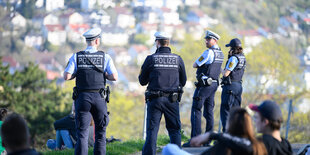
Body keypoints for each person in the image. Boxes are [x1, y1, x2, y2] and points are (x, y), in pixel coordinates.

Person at [63, 27, 118, 155]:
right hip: (99, 97)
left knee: (82, 133)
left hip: (82, 98)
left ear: (87, 41)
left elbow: (66, 76)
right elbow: (114, 77)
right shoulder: (105, 57)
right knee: (100, 132)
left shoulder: (77, 56)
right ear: (97, 41)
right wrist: (105, 75)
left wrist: (77, 73)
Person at [139, 31, 187, 155]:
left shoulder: (151, 59)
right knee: (174, 130)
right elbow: (184, 80)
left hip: (154, 99)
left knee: (152, 131)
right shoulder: (178, 59)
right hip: (172, 99)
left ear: (157, 42)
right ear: (168, 42)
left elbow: (142, 81)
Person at [163, 107, 267, 155]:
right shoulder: (258, 145)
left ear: (231, 124)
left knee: (169, 148)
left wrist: (213, 135)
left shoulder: (225, 145)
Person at [183, 30, 224, 147]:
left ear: (214, 40)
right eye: (206, 39)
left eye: (208, 39)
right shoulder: (220, 53)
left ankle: (195, 140)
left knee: (196, 110)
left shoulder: (209, 53)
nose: (206, 41)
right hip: (214, 84)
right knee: (209, 112)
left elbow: (195, 64)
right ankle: (207, 140)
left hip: (205, 85)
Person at [220, 38, 246, 132]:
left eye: (230, 48)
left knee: (226, 110)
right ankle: (237, 133)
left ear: (233, 48)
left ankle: (226, 134)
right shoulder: (242, 57)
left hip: (230, 86)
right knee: (236, 112)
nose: (229, 50)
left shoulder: (233, 58)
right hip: (239, 86)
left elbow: (226, 73)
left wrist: (220, 69)